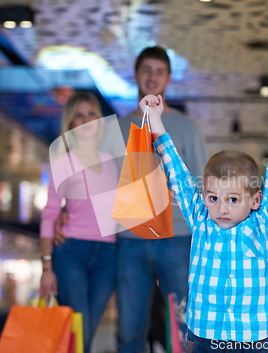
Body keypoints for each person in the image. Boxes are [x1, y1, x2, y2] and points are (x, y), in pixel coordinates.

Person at [139, 68, 268, 352]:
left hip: (253, 337)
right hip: (206, 336)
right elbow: (177, 173)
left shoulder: (263, 222)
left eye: (232, 200)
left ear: (255, 200)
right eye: (213, 197)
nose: (221, 208)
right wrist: (156, 120)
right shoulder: (201, 219)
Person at [53, 46, 207, 353]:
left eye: (159, 71)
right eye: (146, 70)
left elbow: (203, 184)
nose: (152, 77)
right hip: (128, 239)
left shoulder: (188, 128)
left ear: (169, 78)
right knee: (129, 332)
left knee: (186, 329)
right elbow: (89, 177)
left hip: (177, 238)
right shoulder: (114, 129)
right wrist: (62, 211)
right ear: (136, 75)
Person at [40, 92, 119, 353]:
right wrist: (47, 267)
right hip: (71, 253)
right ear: (71, 124)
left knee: (87, 332)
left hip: (108, 256)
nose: (86, 120)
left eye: (92, 114)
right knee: (80, 334)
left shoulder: (111, 162)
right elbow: (50, 214)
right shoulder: (63, 163)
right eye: (79, 115)